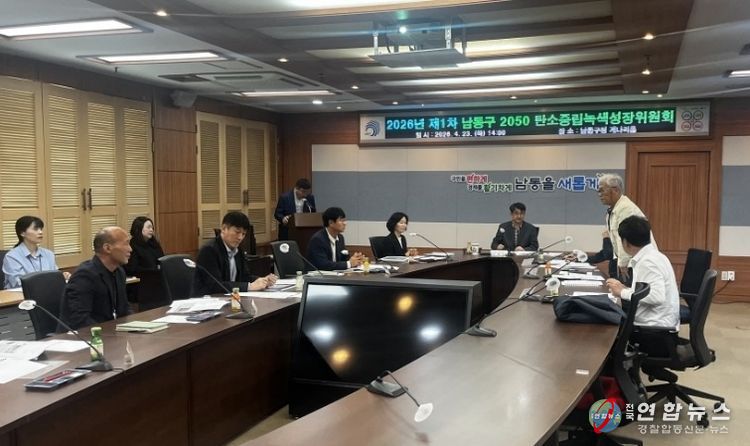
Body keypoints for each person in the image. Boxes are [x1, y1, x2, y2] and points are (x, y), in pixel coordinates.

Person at [605, 216, 680, 332]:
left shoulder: (648, 262)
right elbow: (647, 291)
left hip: (654, 329)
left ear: (625, 242)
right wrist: (625, 288)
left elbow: (656, 297)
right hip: (657, 324)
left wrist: (622, 292)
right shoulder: (654, 256)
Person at [59, 227, 132, 330]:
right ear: (107, 248)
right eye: (126, 244)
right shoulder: (84, 276)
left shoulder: (119, 272)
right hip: (80, 336)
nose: (130, 249)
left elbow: (124, 308)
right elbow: (79, 319)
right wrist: (110, 332)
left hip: (109, 332)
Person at [194, 211, 277, 295]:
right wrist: (249, 286)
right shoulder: (209, 250)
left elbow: (244, 277)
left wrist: (262, 280)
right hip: (209, 299)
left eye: (243, 234)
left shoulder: (238, 250)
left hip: (231, 298)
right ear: (224, 228)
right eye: (237, 232)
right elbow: (215, 286)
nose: (240, 237)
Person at [598, 173, 655, 283]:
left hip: (637, 262)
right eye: (598, 191)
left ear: (615, 190)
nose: (599, 195)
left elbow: (623, 237)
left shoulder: (626, 208)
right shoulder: (613, 210)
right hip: (629, 261)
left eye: (602, 190)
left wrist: (623, 262)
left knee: (632, 292)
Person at [3, 216, 70, 289]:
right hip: (21, 295)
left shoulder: (48, 254)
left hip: (48, 292)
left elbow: (55, 275)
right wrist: (49, 280)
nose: (40, 232)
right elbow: (18, 283)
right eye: (35, 229)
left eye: (41, 229)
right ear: (22, 233)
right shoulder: (12, 256)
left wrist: (62, 276)